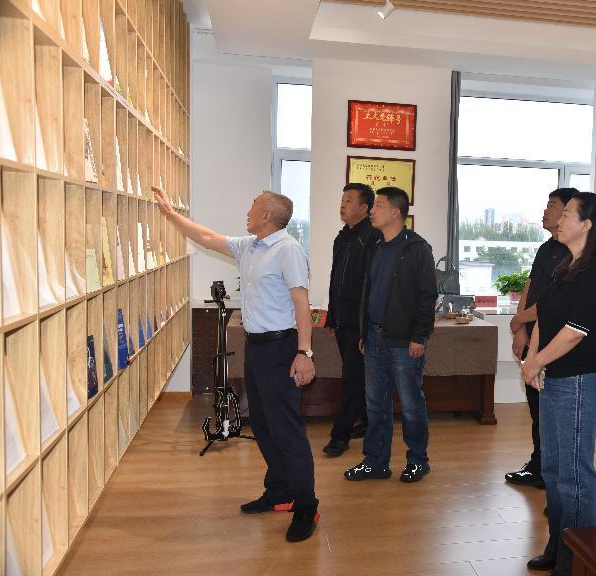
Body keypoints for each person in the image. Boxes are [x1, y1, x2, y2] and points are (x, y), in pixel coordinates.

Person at [151, 185, 320, 543]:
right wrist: (171, 214)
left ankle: (307, 505)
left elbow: (301, 303)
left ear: (267, 216)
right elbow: (207, 237)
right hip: (257, 348)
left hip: (281, 348)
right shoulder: (251, 246)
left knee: (286, 428)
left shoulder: (288, 250)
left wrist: (304, 353)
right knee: (261, 422)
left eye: (253, 206)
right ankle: (280, 491)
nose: (248, 211)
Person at [521, 192, 596, 575]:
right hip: (553, 378)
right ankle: (558, 547)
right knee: (553, 471)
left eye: (567, 214)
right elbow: (544, 318)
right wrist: (532, 357)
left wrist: (537, 362)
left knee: (575, 478)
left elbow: (575, 332)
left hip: (579, 382)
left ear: (587, 225)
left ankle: (579, 561)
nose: (559, 220)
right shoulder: (564, 265)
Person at [344, 186, 438, 483]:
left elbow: (427, 296)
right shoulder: (376, 245)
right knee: (375, 405)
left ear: (395, 212)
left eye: (378, 206)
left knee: (410, 406)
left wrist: (419, 337)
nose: (372, 211)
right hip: (374, 337)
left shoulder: (417, 248)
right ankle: (376, 461)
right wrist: (364, 331)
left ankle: (418, 460)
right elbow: (368, 291)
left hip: (403, 341)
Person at [505, 188, 578, 488]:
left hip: (553, 343)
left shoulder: (572, 253)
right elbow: (531, 285)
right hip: (533, 335)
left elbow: (551, 302)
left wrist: (520, 319)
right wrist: (521, 327)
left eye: (553, 205)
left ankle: (552, 473)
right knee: (537, 409)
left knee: (552, 414)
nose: (545, 210)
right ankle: (539, 466)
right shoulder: (547, 248)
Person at [323, 183, 380, 457]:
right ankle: (367, 422)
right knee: (358, 376)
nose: (342, 205)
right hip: (343, 320)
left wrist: (365, 327)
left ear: (364, 208)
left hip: (361, 323)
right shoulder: (343, 237)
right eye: (342, 200)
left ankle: (340, 436)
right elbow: (336, 280)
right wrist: (332, 316)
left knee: (353, 379)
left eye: (348, 200)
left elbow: (372, 287)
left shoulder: (372, 238)